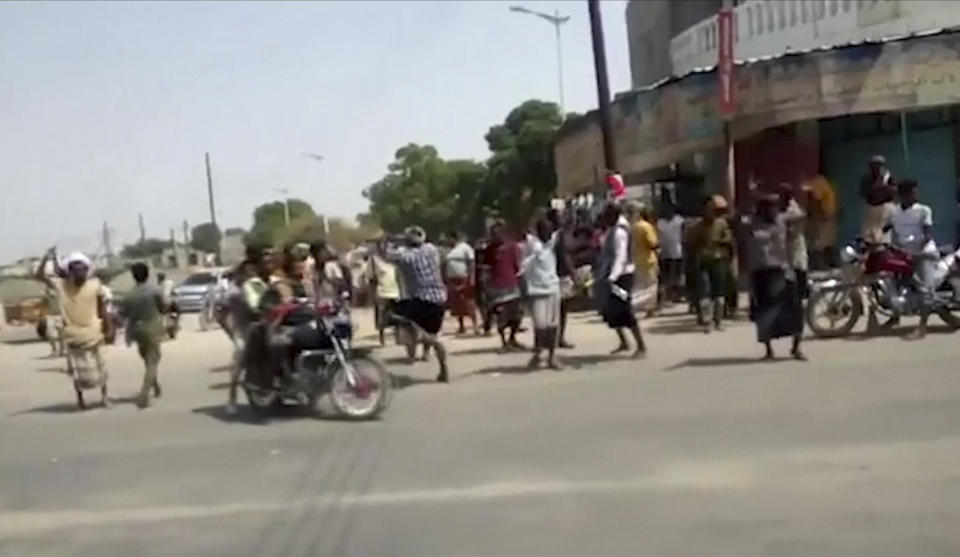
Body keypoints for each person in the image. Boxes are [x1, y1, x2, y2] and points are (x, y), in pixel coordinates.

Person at [35, 248, 110, 408]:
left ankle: (104, 398)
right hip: (73, 335)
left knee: (101, 367)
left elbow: (102, 307)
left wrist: (108, 326)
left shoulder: (94, 284)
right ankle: (81, 400)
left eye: (82, 269)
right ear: (70, 272)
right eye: (76, 270)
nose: (80, 273)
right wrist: (45, 258)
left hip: (94, 333)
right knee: (77, 371)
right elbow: (39, 276)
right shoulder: (61, 286)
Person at [385, 226, 450, 382]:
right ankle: (442, 366)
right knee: (435, 336)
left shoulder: (407, 256)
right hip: (439, 298)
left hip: (420, 299)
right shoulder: (431, 249)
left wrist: (390, 241)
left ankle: (418, 336)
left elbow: (386, 256)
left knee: (392, 314)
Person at [747, 193, 806, 361]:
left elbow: (801, 215)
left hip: (782, 271)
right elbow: (737, 220)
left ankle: (796, 348)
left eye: (774, 206)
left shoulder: (782, 220)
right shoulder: (753, 224)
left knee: (795, 310)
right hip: (761, 273)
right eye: (769, 207)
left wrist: (791, 198)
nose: (773, 210)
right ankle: (768, 350)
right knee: (765, 313)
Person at [593, 203, 646, 358]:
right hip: (612, 275)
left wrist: (612, 278)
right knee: (610, 310)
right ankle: (624, 341)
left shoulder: (619, 233)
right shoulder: (613, 229)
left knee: (625, 309)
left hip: (622, 277)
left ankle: (641, 346)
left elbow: (620, 257)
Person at [886, 179, 937, 340]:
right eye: (913, 192)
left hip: (923, 254)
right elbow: (887, 229)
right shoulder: (894, 212)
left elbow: (928, 235)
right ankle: (895, 316)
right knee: (889, 279)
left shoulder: (924, 210)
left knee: (925, 290)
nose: (916, 195)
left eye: (915, 191)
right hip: (903, 254)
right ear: (903, 195)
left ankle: (922, 328)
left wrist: (916, 251)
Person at [520, 213, 562, 370]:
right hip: (537, 290)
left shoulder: (551, 242)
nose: (548, 233)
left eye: (549, 230)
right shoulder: (533, 244)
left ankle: (551, 356)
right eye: (544, 230)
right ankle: (538, 354)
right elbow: (524, 230)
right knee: (540, 325)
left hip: (553, 288)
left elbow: (561, 228)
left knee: (553, 325)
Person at [121, 263, 164, 409]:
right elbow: (163, 307)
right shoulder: (155, 291)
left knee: (148, 360)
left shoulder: (129, 295)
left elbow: (123, 314)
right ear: (148, 274)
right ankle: (144, 394)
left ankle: (156, 386)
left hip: (136, 331)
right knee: (153, 362)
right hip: (152, 329)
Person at [691, 196, 733, 332]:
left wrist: (718, 242)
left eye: (712, 209)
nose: (710, 211)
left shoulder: (721, 224)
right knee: (705, 293)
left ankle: (719, 322)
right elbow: (690, 244)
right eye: (708, 209)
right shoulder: (696, 226)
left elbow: (728, 239)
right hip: (702, 262)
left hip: (718, 260)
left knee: (719, 294)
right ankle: (708, 322)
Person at [483, 221, 525, 350]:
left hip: (512, 284)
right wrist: (486, 287)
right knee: (501, 316)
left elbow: (518, 266)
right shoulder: (489, 250)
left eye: (498, 233)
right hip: (497, 287)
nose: (496, 235)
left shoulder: (513, 247)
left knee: (517, 315)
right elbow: (486, 269)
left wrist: (521, 283)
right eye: (493, 233)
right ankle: (503, 342)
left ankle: (512, 338)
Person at [547, 209, 578, 348]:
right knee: (562, 309)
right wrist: (573, 274)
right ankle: (559, 339)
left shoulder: (547, 236)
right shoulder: (560, 235)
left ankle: (553, 339)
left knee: (553, 310)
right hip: (561, 275)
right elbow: (564, 257)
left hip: (550, 275)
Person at [365, 240, 402, 346]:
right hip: (382, 291)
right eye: (382, 246)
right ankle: (382, 339)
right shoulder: (374, 260)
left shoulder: (395, 259)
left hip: (396, 290)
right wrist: (371, 294)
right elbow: (371, 277)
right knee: (382, 317)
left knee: (398, 316)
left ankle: (398, 338)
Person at [627, 202, 659, 317]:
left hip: (637, 259)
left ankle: (637, 307)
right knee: (651, 285)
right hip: (648, 259)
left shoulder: (632, 227)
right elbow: (652, 243)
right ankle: (649, 309)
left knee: (639, 285)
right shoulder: (646, 226)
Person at [444, 231, 479, 335]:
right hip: (452, 279)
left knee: (468, 302)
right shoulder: (449, 251)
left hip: (464, 277)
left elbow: (471, 263)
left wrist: (472, 277)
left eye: (448, 239)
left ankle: (475, 325)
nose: (447, 241)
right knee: (457, 304)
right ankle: (461, 326)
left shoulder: (465, 247)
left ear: (454, 238)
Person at [779, 183, 809, 300]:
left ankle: (802, 294)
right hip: (789, 244)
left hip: (795, 243)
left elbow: (792, 227)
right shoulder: (785, 208)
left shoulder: (792, 209)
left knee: (798, 268)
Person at [860, 154, 895, 244]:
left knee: (883, 235)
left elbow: (894, 190)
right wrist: (876, 187)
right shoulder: (867, 178)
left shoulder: (887, 177)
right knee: (868, 235)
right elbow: (863, 193)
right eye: (873, 165)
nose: (876, 167)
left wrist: (884, 187)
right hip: (871, 208)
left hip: (884, 208)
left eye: (878, 164)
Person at [805, 174, 838, 270]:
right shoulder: (822, 184)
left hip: (824, 217)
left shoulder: (820, 185)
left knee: (821, 242)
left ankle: (822, 265)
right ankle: (821, 265)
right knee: (822, 242)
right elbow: (817, 201)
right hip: (825, 217)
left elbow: (817, 201)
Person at [656, 202, 685, 307]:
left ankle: (677, 295)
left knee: (678, 275)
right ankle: (668, 297)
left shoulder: (679, 221)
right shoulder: (660, 223)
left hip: (677, 251)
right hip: (664, 253)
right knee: (666, 276)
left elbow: (684, 234)